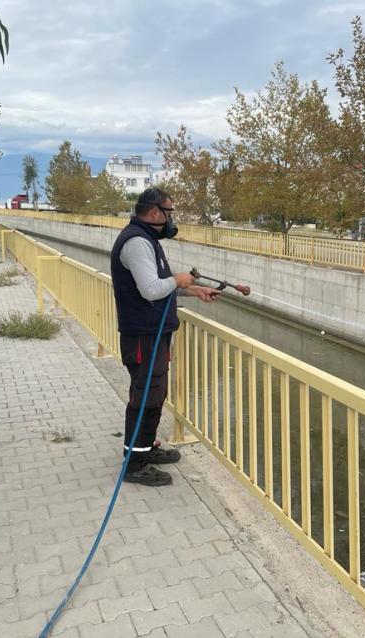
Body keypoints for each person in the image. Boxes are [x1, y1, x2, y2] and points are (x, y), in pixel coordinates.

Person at [110, 187, 219, 486]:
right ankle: (134, 465)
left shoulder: (146, 239)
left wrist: (193, 290)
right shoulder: (136, 243)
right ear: (156, 211)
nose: (171, 218)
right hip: (144, 336)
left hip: (153, 334)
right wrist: (179, 279)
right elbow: (151, 290)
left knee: (155, 394)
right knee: (144, 397)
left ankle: (145, 449)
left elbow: (160, 286)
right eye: (169, 212)